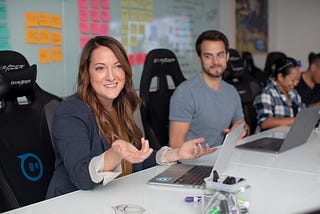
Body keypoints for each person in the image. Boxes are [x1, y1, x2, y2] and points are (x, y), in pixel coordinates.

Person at [46, 36, 216, 199]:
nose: (111, 76)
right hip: (71, 203)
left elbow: (138, 159)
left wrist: (175, 153)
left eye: (117, 66)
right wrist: (115, 153)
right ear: (87, 73)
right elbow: (81, 176)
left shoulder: (119, 106)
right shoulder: (70, 112)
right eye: (100, 68)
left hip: (115, 198)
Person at [169, 30, 248, 149]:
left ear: (227, 57)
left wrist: (241, 130)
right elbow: (175, 145)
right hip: (195, 163)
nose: (215, 62)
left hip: (223, 157)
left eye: (220, 55)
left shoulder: (231, 91)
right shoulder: (185, 93)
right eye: (208, 56)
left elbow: (242, 124)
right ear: (199, 59)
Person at [254, 57, 304, 131]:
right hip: (269, 139)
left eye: (298, 80)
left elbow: (304, 113)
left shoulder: (294, 94)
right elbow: (265, 122)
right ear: (280, 77)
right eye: (293, 80)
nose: (296, 83)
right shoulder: (266, 93)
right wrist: (295, 120)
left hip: (290, 136)